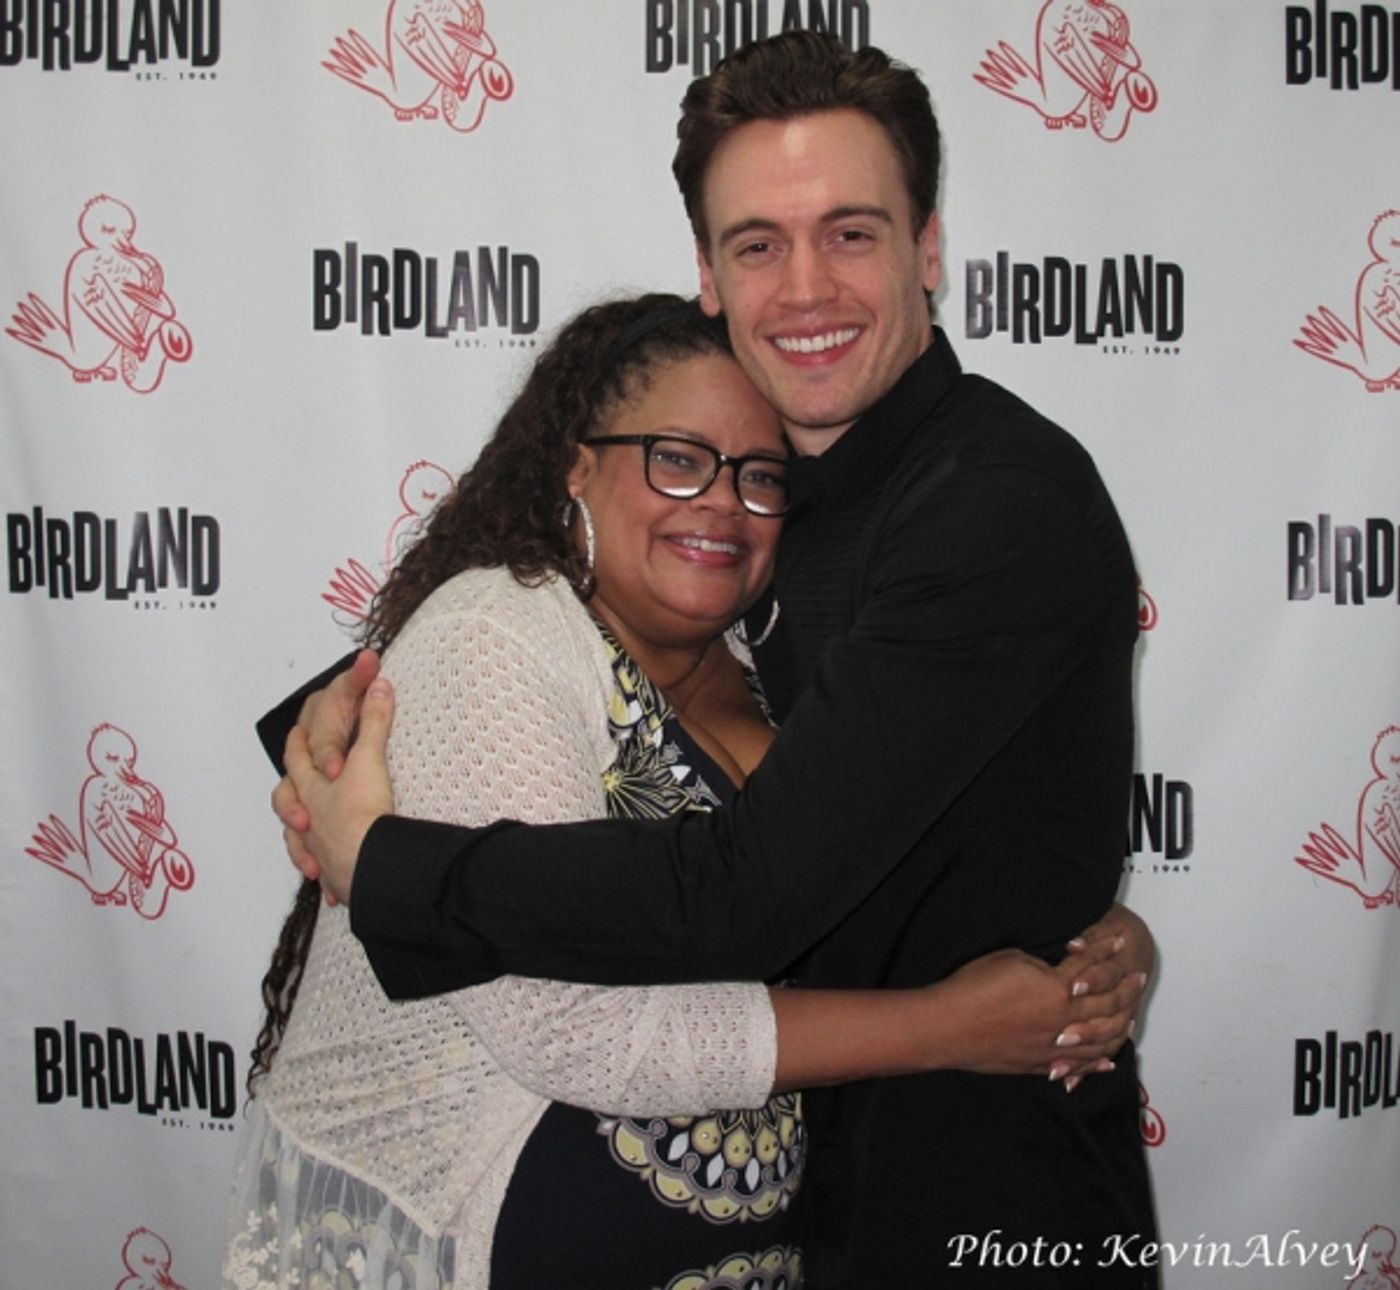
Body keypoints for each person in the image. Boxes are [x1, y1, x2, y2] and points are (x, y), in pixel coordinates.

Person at [271, 33, 1158, 1286]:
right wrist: (341, 716)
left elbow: (747, 890)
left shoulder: (995, 504)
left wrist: (395, 867)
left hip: (972, 1198)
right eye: (757, 244)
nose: (804, 288)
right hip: (790, 1210)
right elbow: (556, 661)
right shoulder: (765, 512)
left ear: (928, 250)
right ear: (707, 273)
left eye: (850, 233)